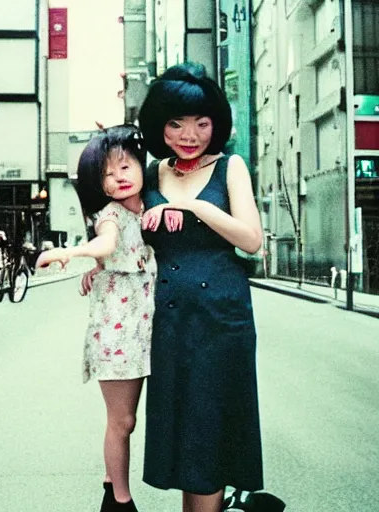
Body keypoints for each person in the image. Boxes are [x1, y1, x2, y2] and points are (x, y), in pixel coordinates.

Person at [136, 62, 283, 512]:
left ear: (216, 125)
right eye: (176, 123)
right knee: (184, 436)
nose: (190, 134)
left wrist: (193, 206)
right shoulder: (151, 172)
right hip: (170, 317)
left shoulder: (231, 166)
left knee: (209, 428)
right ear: (160, 126)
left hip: (222, 318)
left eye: (202, 123)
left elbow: (252, 240)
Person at [36, 124, 158, 512]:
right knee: (121, 422)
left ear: (142, 165)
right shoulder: (111, 215)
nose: (118, 177)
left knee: (130, 421)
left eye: (125, 166)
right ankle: (120, 503)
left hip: (145, 331)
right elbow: (107, 242)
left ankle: (111, 483)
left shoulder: (155, 205)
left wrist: (101, 266)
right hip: (118, 334)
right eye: (107, 173)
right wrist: (71, 255)